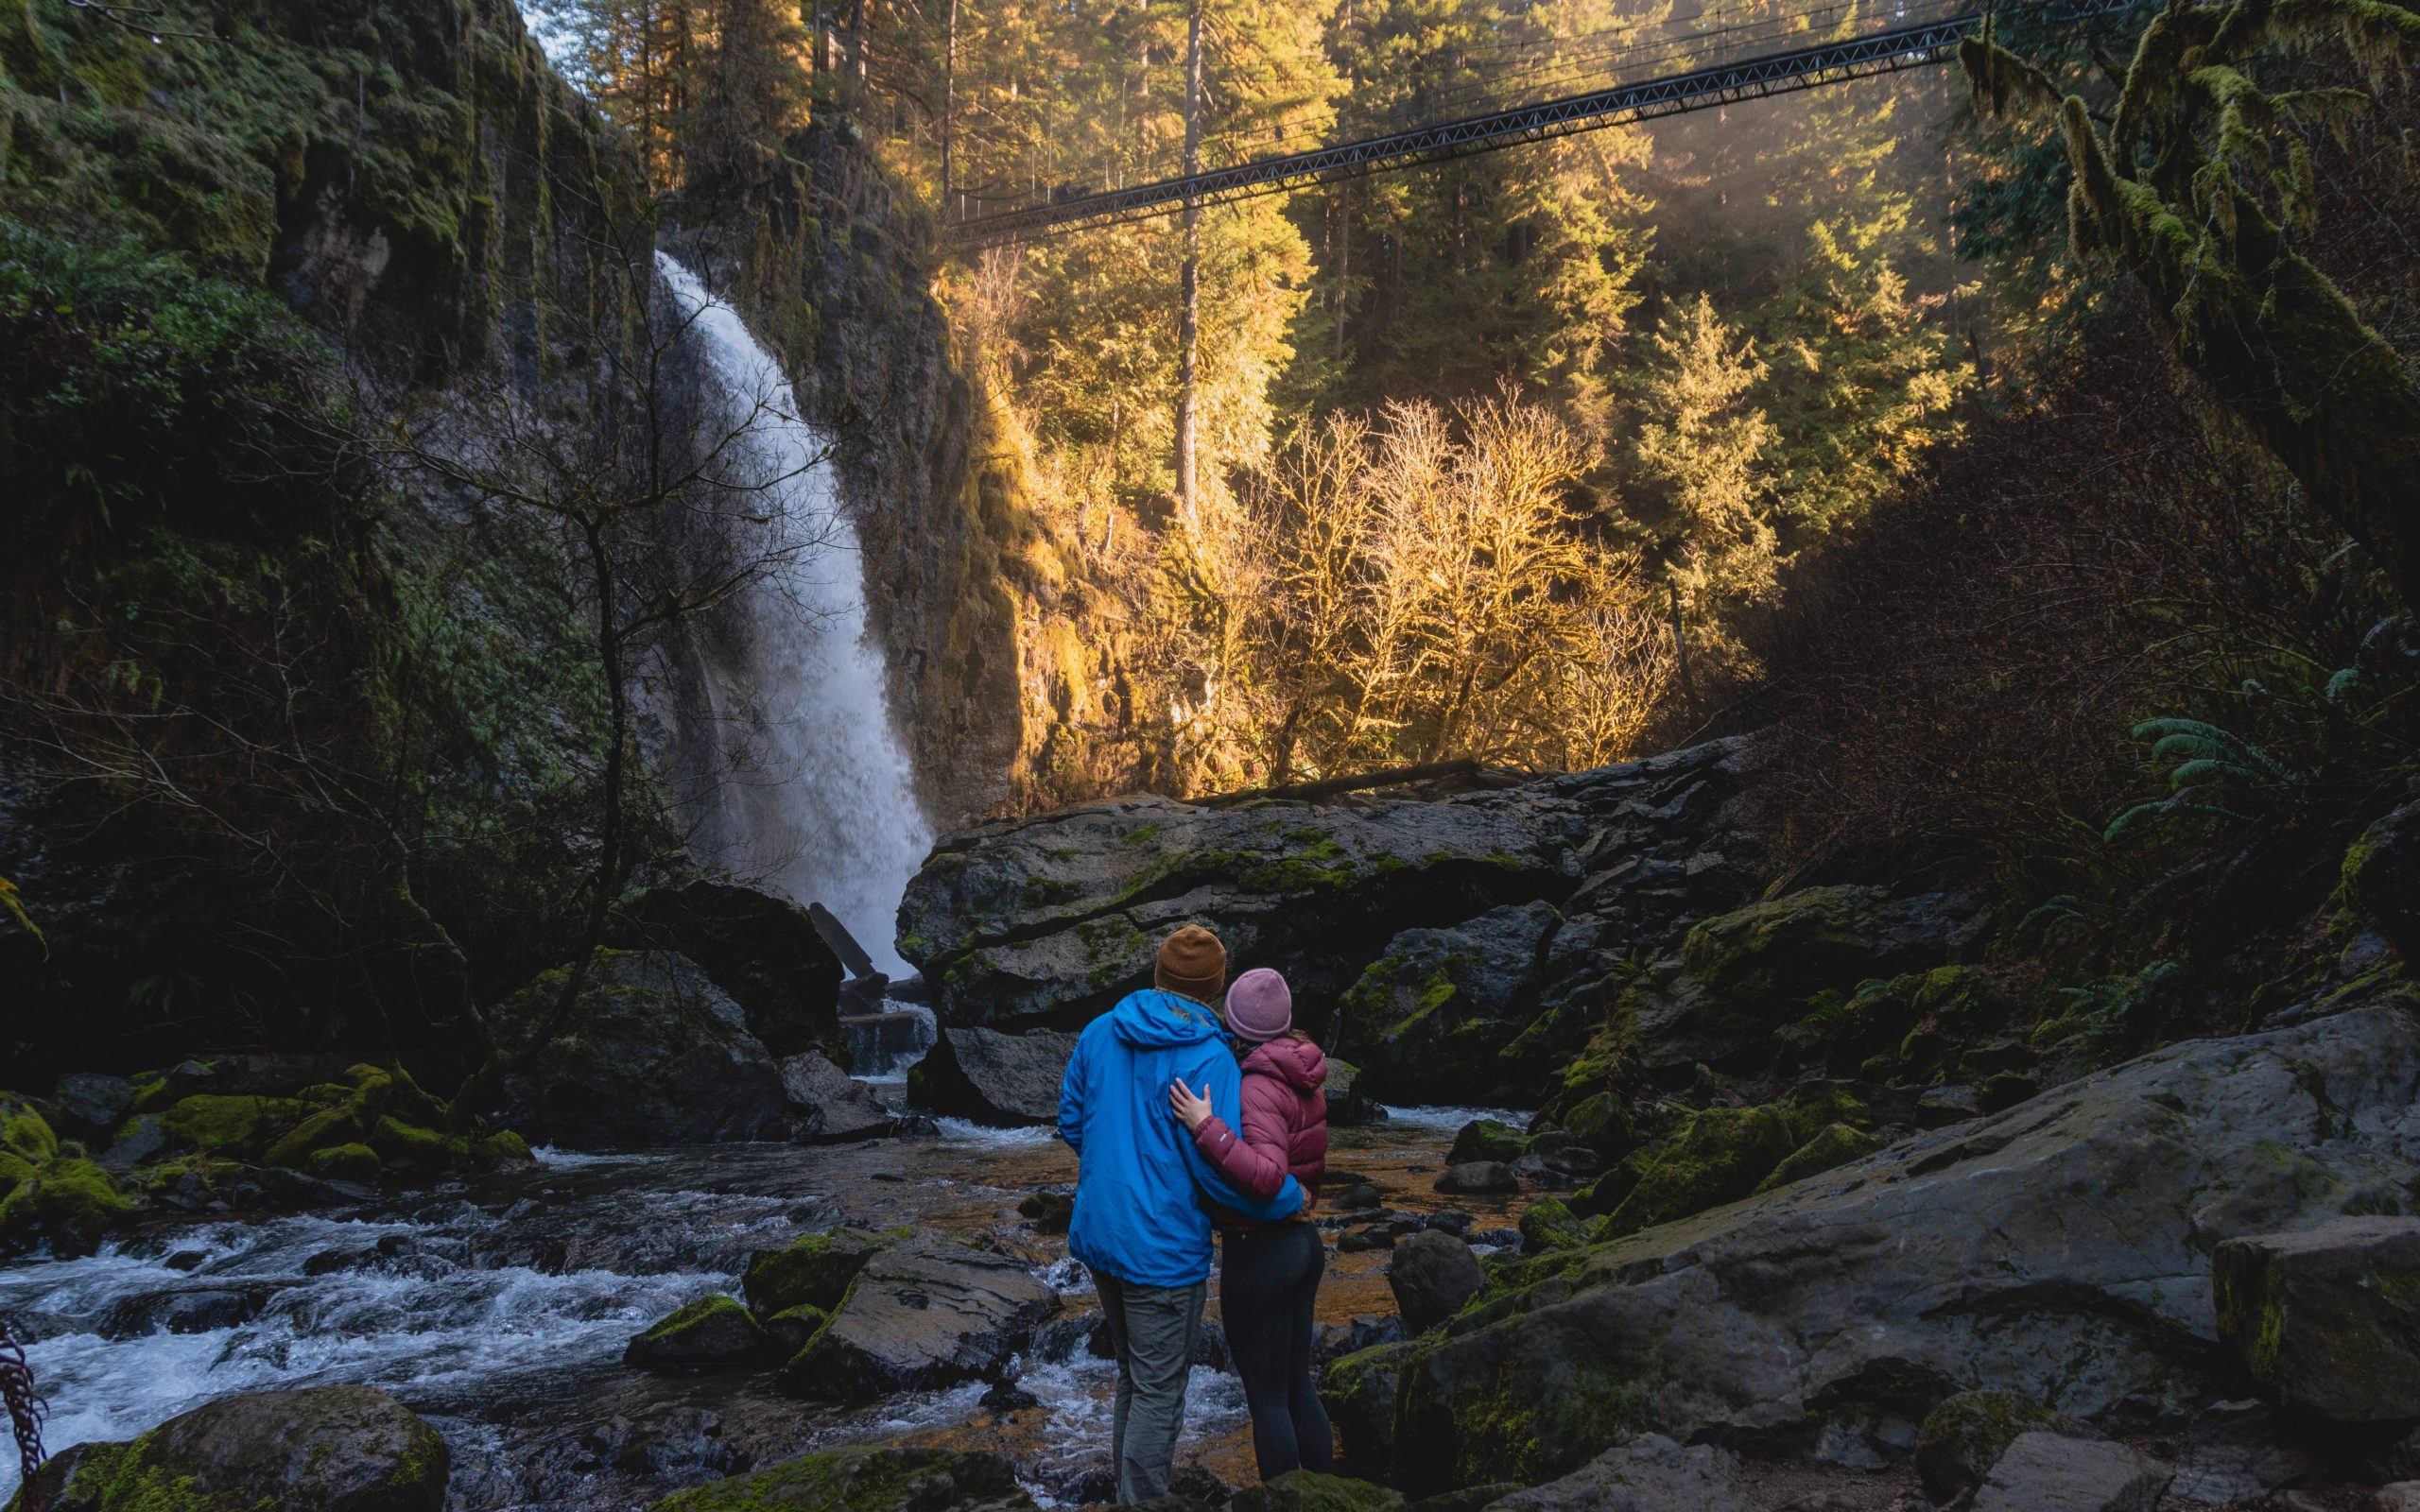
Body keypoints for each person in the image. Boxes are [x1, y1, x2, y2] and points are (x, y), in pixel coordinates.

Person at [1059, 924, 1305, 1504]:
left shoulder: (1099, 1032)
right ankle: (1141, 1502)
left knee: (1133, 1377)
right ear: (1217, 988)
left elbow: (1072, 1121)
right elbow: (1218, 1169)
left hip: (1101, 1234)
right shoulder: (1211, 1055)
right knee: (1159, 1391)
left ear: (1157, 975)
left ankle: (1128, 1496)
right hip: (1162, 1249)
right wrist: (1290, 1197)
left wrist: (1114, 1171)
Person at [1168, 967, 1334, 1482]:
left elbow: (1266, 1176)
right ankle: (1326, 1494)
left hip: (1262, 1253)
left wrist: (1206, 1127)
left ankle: (1284, 1499)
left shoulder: (1259, 1083)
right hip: (1303, 1244)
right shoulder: (1301, 1068)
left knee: (1266, 1400)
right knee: (1297, 1385)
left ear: (1235, 1025)